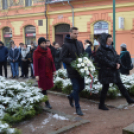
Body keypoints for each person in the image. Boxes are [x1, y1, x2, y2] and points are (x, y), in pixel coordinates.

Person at [96, 33, 134, 111]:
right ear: (104, 41)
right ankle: (101, 104)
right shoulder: (100, 50)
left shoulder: (111, 47)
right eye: (108, 41)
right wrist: (114, 65)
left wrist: (118, 63)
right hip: (105, 72)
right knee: (105, 88)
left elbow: (117, 56)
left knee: (121, 85)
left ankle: (128, 99)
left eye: (111, 41)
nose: (110, 42)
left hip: (114, 71)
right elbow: (103, 60)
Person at [61, 27, 85, 116]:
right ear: (70, 33)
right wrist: (72, 61)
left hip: (81, 70)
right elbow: (63, 58)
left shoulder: (79, 43)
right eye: (75, 33)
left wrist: (86, 62)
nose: (76, 35)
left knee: (82, 87)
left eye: (77, 33)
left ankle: (71, 96)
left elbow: (83, 54)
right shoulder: (66, 45)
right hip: (72, 71)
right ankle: (77, 108)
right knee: (76, 88)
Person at [33, 37, 56, 109]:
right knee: (44, 88)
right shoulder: (36, 52)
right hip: (41, 73)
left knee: (46, 87)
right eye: (42, 43)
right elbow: (35, 64)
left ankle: (37, 97)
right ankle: (47, 103)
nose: (44, 44)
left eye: (44, 43)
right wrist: (36, 74)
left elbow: (51, 61)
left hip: (48, 72)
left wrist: (54, 70)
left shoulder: (48, 50)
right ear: (39, 44)